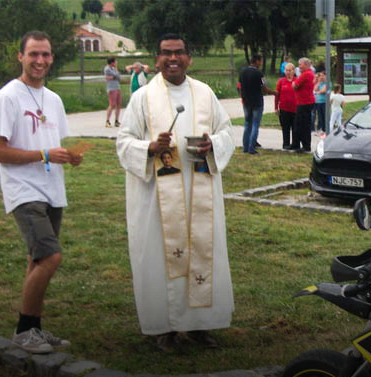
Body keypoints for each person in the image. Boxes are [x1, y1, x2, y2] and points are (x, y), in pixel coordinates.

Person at [116, 33, 236, 352]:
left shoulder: (205, 93)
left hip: (200, 193)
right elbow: (123, 142)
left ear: (189, 58)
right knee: (159, 257)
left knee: (202, 254)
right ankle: (163, 329)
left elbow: (227, 133)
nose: (173, 59)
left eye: (179, 53)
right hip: (157, 197)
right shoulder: (143, 97)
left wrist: (214, 145)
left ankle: (201, 326)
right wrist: (150, 147)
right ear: (156, 59)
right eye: (166, 53)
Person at [0, 31, 83, 354]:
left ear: (52, 57)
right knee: (51, 256)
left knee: (37, 259)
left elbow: (53, 145)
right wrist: (44, 155)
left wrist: (70, 157)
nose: (40, 61)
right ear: (21, 57)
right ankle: (23, 330)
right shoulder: (8, 97)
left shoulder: (54, 100)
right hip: (24, 190)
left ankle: (35, 328)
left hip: (51, 190)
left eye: (45, 54)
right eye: (33, 54)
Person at [238, 54, 276, 155]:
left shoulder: (243, 72)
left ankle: (245, 148)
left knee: (247, 124)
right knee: (255, 124)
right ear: (257, 61)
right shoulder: (259, 74)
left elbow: (239, 86)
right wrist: (274, 93)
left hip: (246, 102)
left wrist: (242, 97)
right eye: (261, 61)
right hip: (257, 102)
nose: (261, 63)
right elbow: (264, 88)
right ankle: (251, 148)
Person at [291, 57, 315, 153]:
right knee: (301, 124)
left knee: (302, 125)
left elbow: (295, 86)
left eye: (300, 64)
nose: (299, 67)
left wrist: (293, 83)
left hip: (304, 103)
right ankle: (297, 144)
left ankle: (305, 146)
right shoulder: (310, 74)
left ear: (306, 65)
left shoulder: (305, 74)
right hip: (305, 102)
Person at [275, 62, 297, 150]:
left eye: (290, 70)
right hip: (284, 109)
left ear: (293, 71)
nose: (288, 72)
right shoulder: (281, 81)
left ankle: (295, 145)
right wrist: (276, 107)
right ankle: (286, 144)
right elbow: (277, 95)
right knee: (285, 128)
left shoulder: (297, 80)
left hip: (295, 109)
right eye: (286, 70)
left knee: (295, 128)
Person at [104, 57, 122, 128]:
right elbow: (115, 75)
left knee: (118, 104)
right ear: (112, 62)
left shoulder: (114, 69)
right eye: (115, 62)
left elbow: (118, 77)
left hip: (117, 87)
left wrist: (114, 76)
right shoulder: (107, 69)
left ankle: (116, 121)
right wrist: (114, 76)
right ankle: (107, 121)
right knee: (112, 104)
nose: (116, 63)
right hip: (111, 88)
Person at [312, 71, 328, 136]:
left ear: (325, 76)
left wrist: (317, 92)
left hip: (324, 102)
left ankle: (325, 129)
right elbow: (315, 89)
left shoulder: (327, 83)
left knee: (324, 116)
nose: (321, 77)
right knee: (320, 117)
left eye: (322, 75)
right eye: (320, 76)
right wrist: (318, 82)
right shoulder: (320, 83)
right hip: (318, 102)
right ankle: (320, 129)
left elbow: (323, 91)